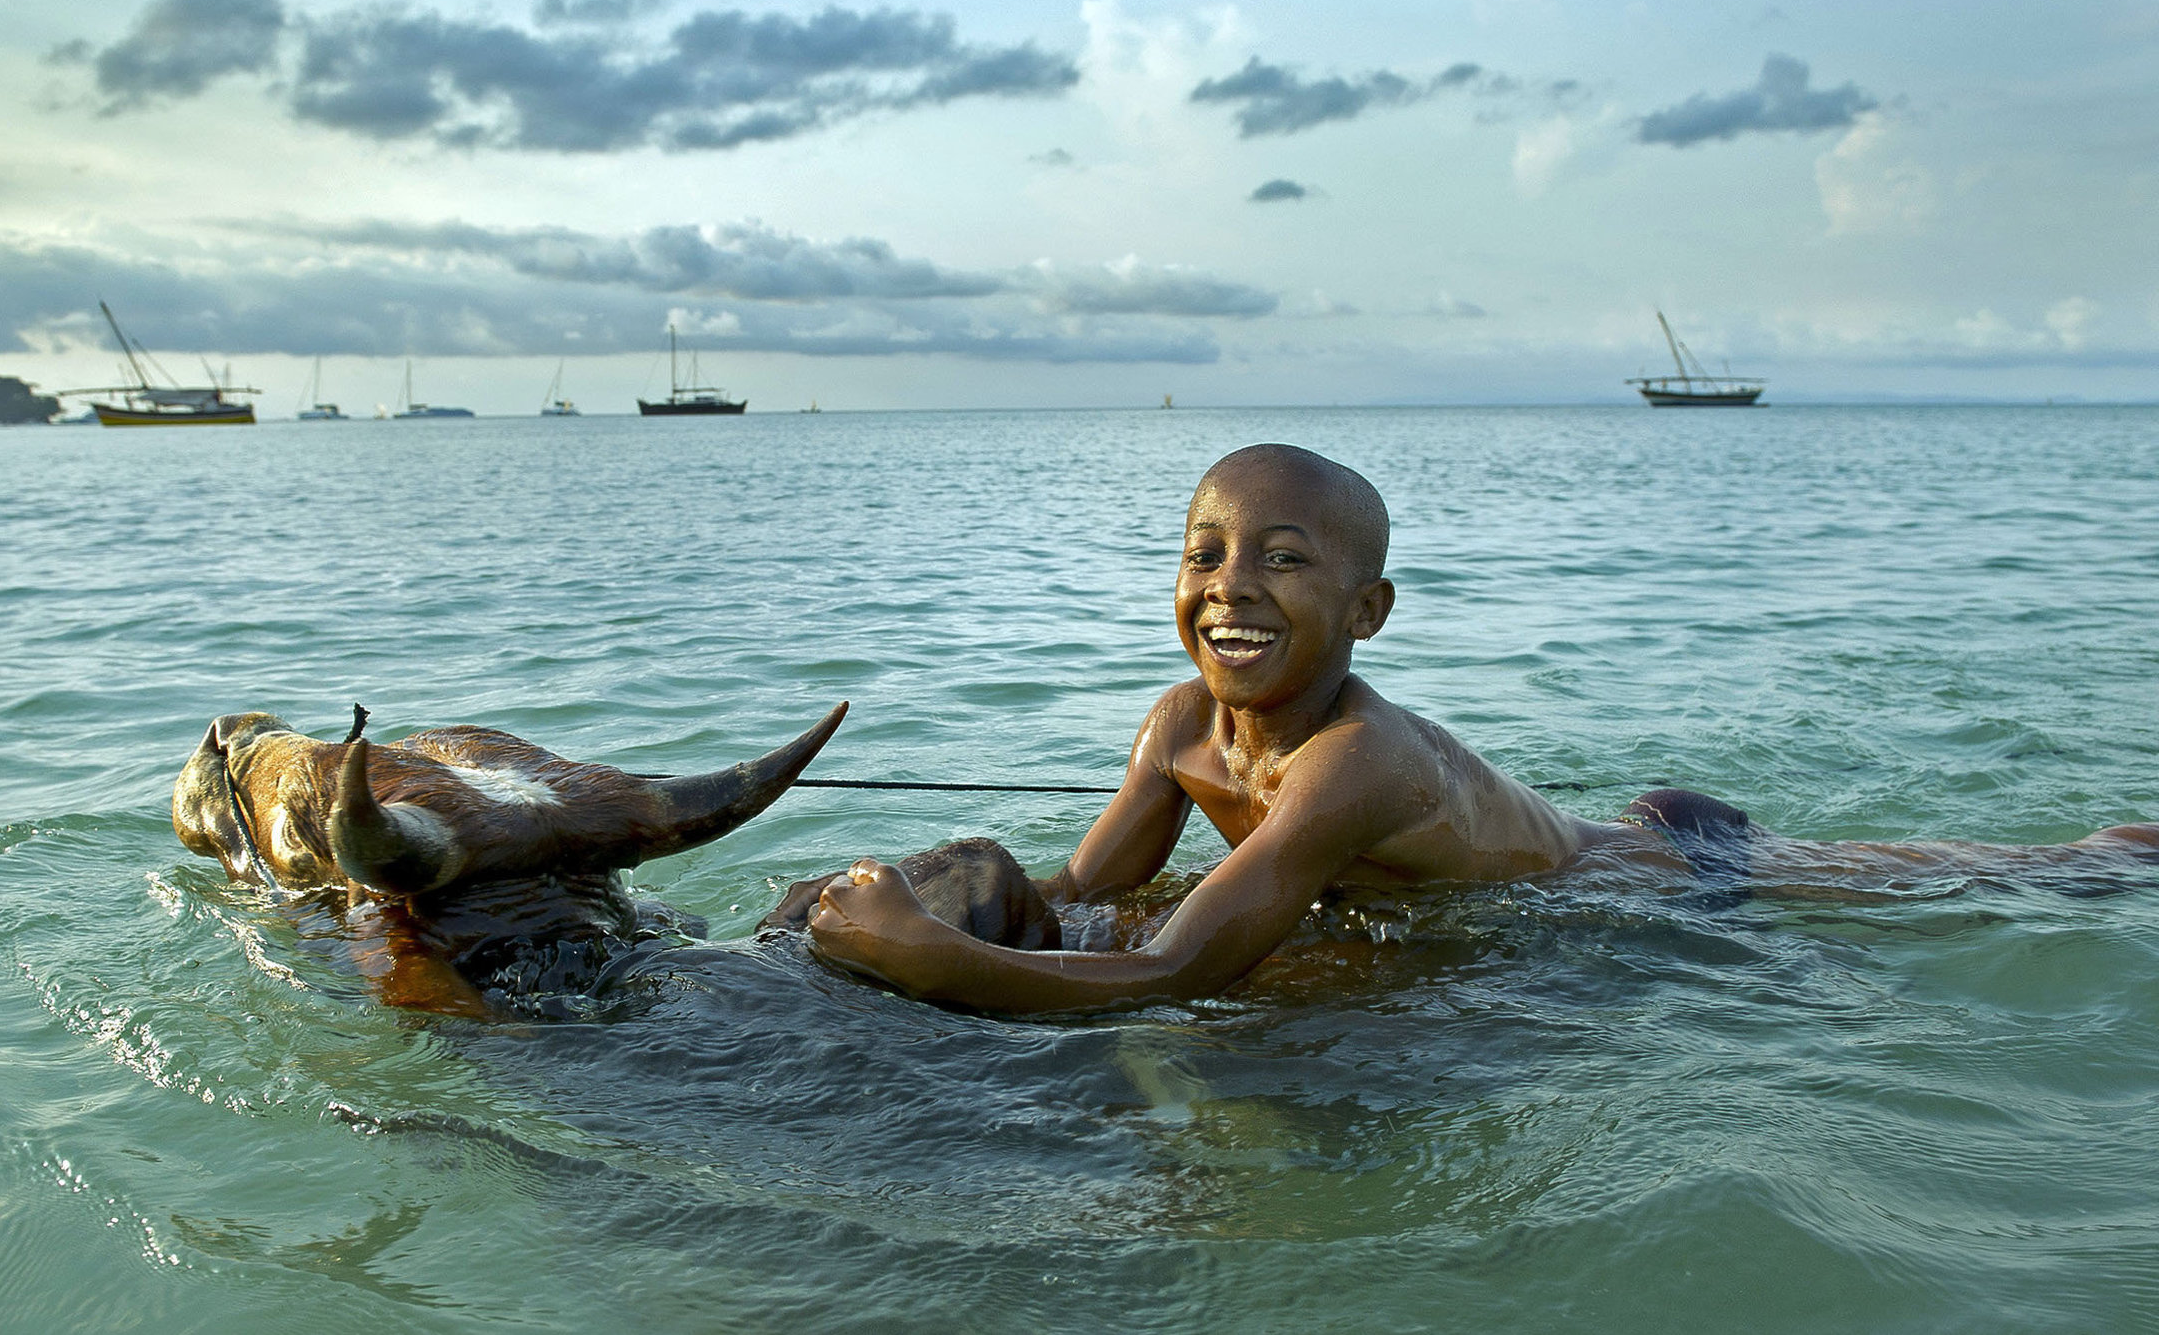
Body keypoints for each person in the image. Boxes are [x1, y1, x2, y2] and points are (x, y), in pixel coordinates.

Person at [771, 444, 2157, 1015]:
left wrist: (923, 954)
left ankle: (2122, 845)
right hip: (1583, 843)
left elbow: (1175, 968)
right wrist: (928, 886)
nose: (1232, 586)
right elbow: (1091, 892)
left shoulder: (1358, 761)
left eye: (1285, 559)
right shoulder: (1181, 724)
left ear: (1369, 608)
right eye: (1204, 553)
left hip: (1655, 880)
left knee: (1999, 879)